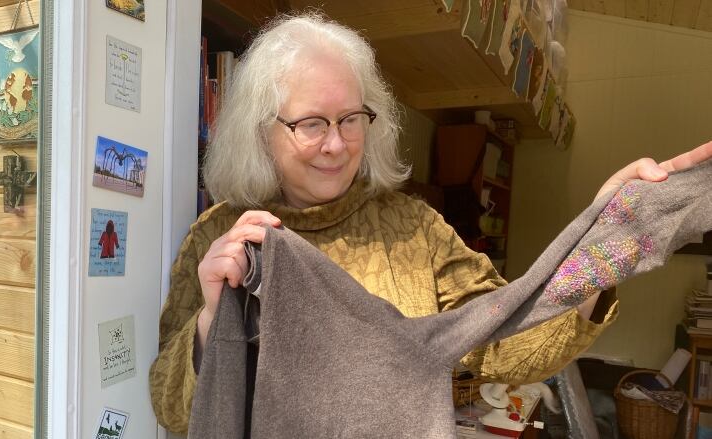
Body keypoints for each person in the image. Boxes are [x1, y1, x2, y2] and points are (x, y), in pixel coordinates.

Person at [149, 12, 712, 434]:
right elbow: (172, 410)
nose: (337, 144)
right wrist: (209, 321)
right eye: (312, 123)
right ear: (261, 130)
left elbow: (510, 340)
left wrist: (604, 241)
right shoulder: (218, 238)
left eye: (351, 118)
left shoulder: (413, 231)